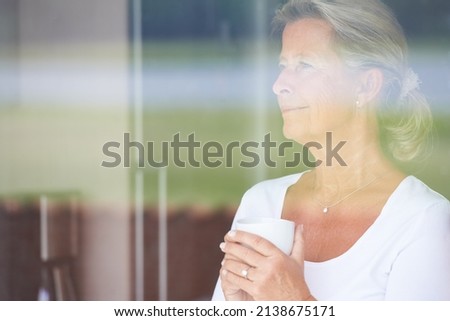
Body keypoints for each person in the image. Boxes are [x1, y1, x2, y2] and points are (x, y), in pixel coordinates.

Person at [212, 0, 450, 301]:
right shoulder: (261, 204)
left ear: (365, 86)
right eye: (283, 67)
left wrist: (294, 303)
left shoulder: (421, 220)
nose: (279, 85)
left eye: (305, 66)